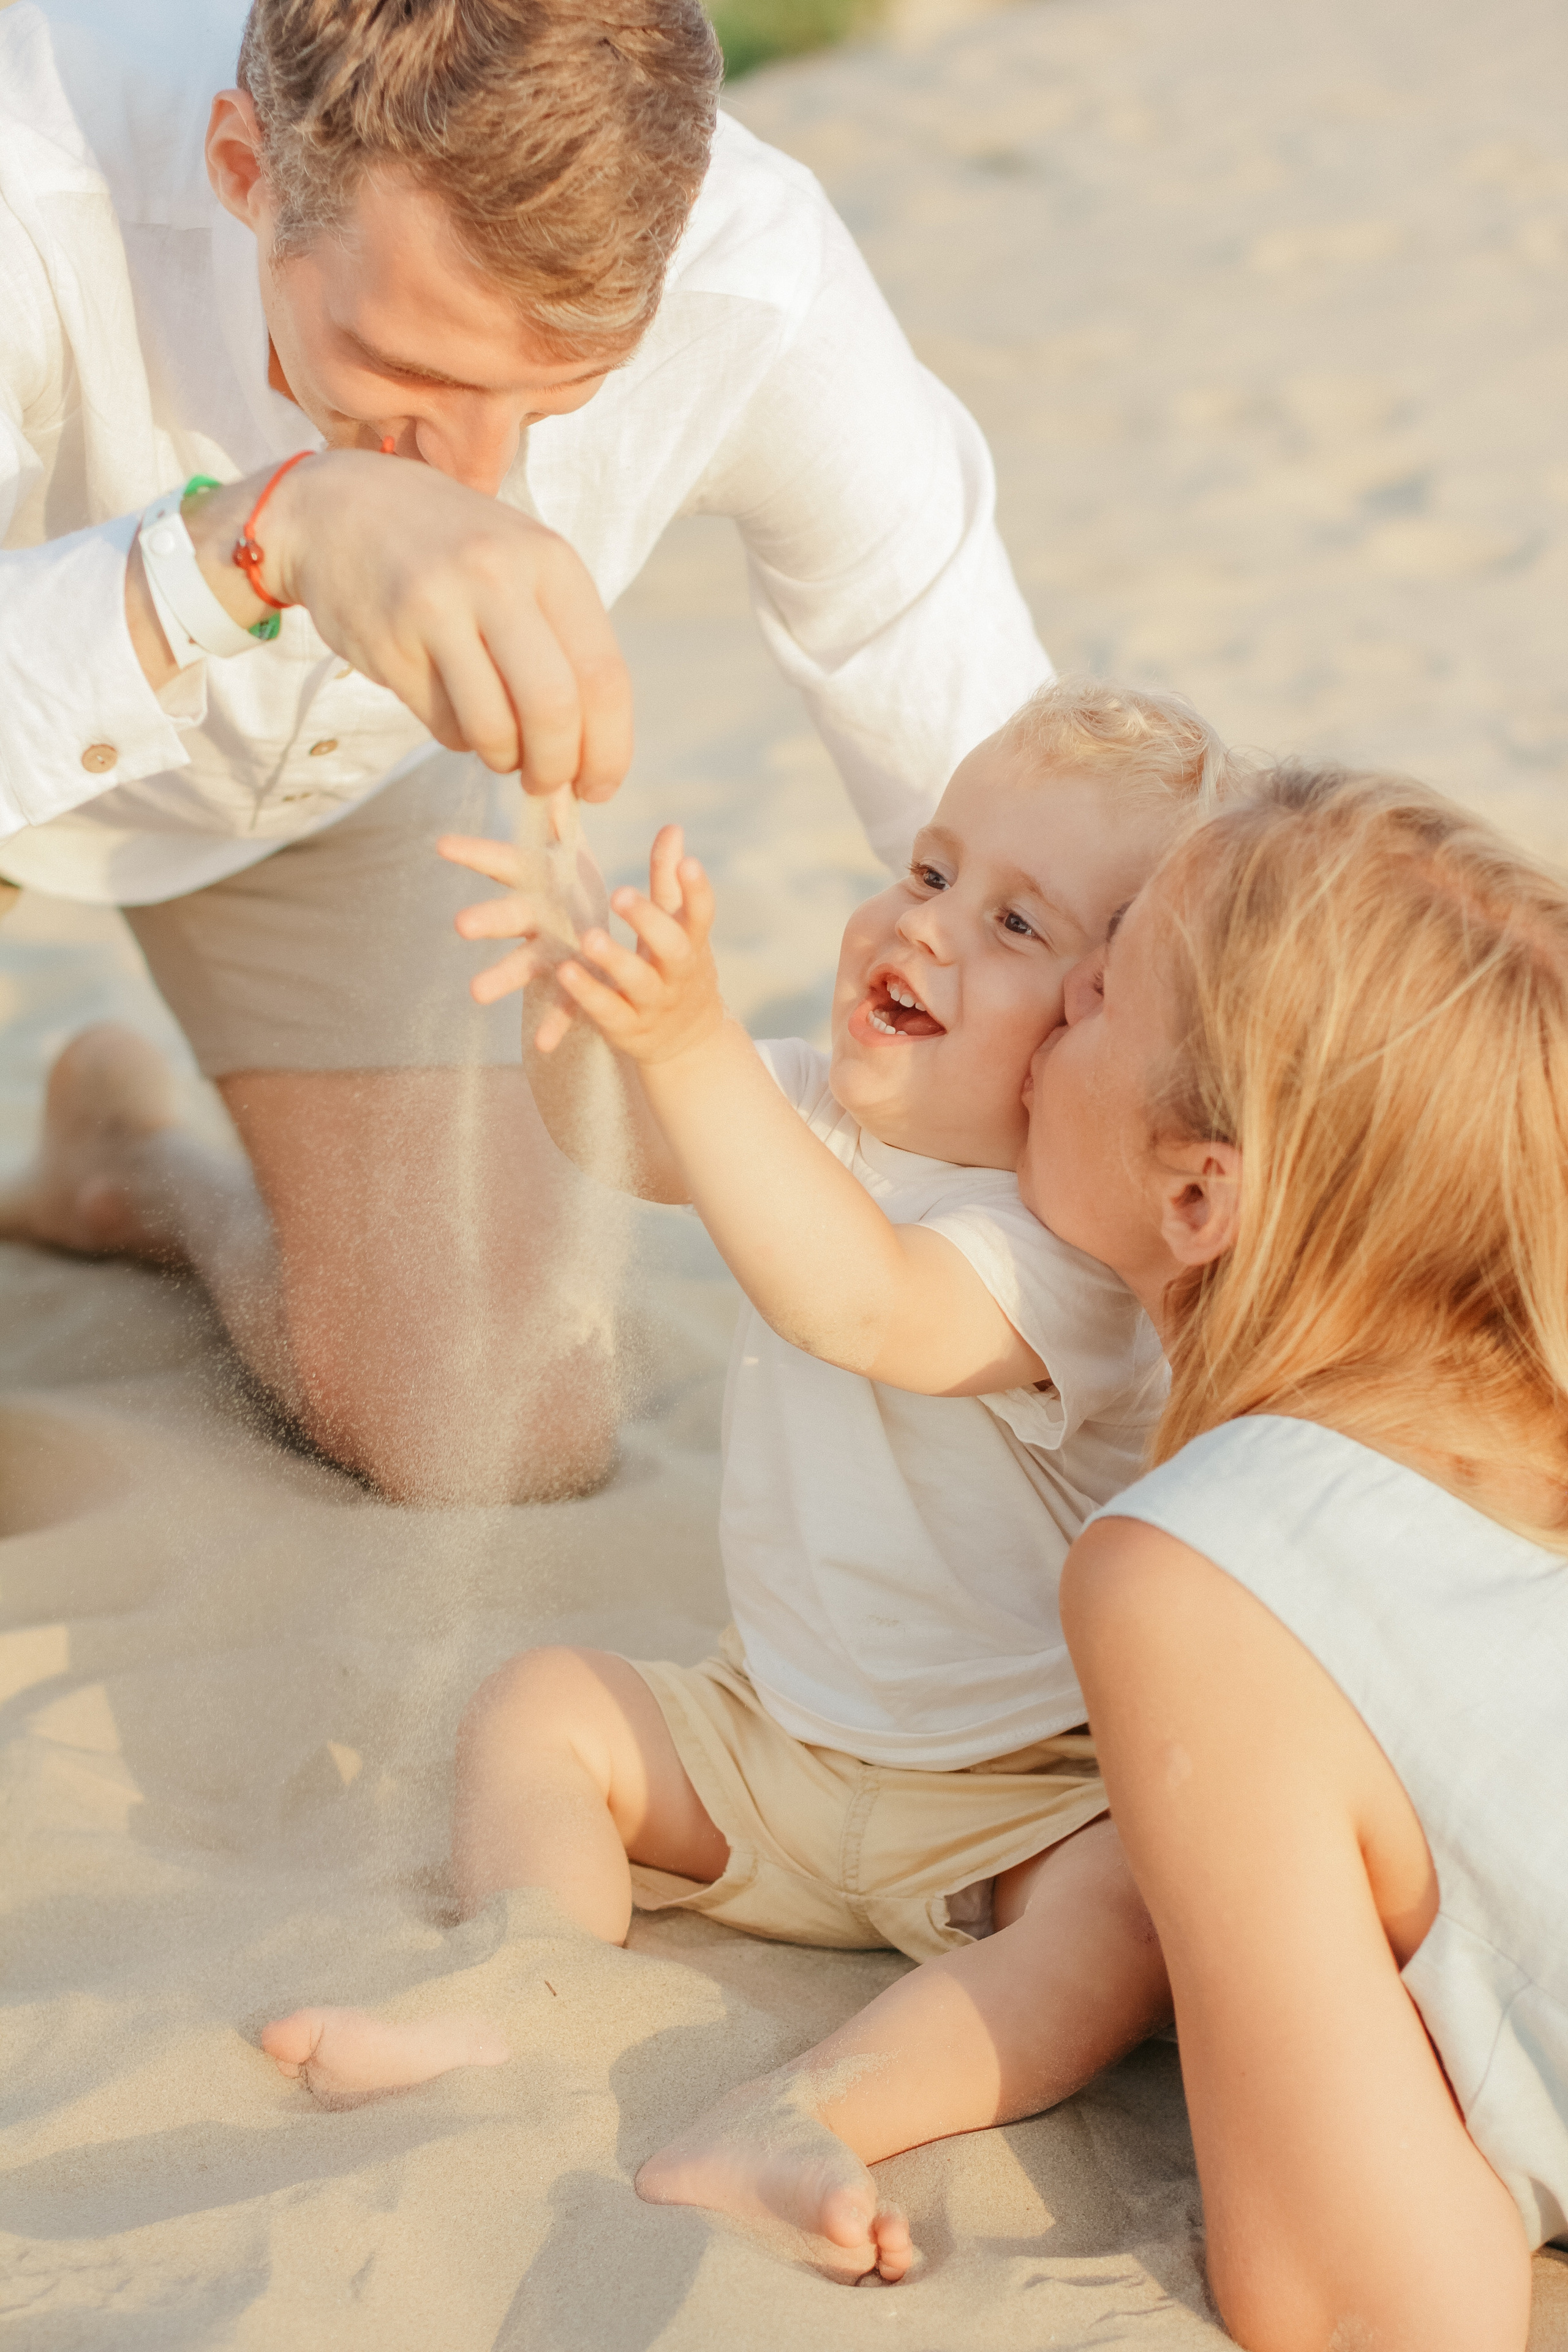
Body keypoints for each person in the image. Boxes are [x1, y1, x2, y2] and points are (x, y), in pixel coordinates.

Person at [0, 0, 1049, 1502]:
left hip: (338, 795)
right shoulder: (31, 167)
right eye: (399, 371)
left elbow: (993, 764)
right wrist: (261, 539)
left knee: (494, 1432)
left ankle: (131, 1175)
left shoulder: (751, 272)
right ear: (245, 166)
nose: (479, 479)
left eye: (550, 401)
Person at [257, 680, 1238, 2280]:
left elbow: (858, 1299)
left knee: (1128, 1911)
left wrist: (694, 1042)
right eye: (927, 873)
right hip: (771, 1740)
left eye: (1011, 921)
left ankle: (818, 2109)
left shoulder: (1078, 1259)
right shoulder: (808, 1110)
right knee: (543, 1708)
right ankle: (520, 1990)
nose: (920, 930)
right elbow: (616, 1140)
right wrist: (582, 999)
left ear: (1111, 1035)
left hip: (1009, 1807)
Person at [1014, 766, 1568, 2351]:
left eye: (1099, 989)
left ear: (1201, 1192)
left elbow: (1376, 2301)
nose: (1053, 996)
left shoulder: (1203, 1576)